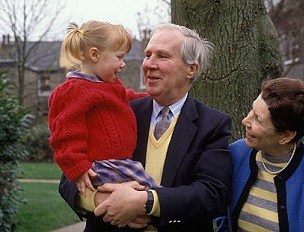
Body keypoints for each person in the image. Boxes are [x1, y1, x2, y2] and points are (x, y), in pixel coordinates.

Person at [59, 23, 232, 231]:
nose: (149, 64)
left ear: (191, 68)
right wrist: (102, 201)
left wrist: (146, 202)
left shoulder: (212, 124)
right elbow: (70, 175)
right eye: (147, 55)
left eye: (162, 56)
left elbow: (212, 195)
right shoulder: (119, 110)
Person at [215, 77, 304, 231]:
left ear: (286, 136)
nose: (245, 120)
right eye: (252, 110)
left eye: (258, 119)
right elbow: (222, 212)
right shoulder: (236, 154)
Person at [49, 20, 156, 200]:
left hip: (122, 164)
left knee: (149, 198)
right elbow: (66, 134)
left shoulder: (110, 85)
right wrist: (77, 167)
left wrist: (151, 97)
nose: (123, 64)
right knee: (146, 198)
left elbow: (125, 97)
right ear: (95, 55)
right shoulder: (74, 90)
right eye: (119, 57)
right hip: (102, 167)